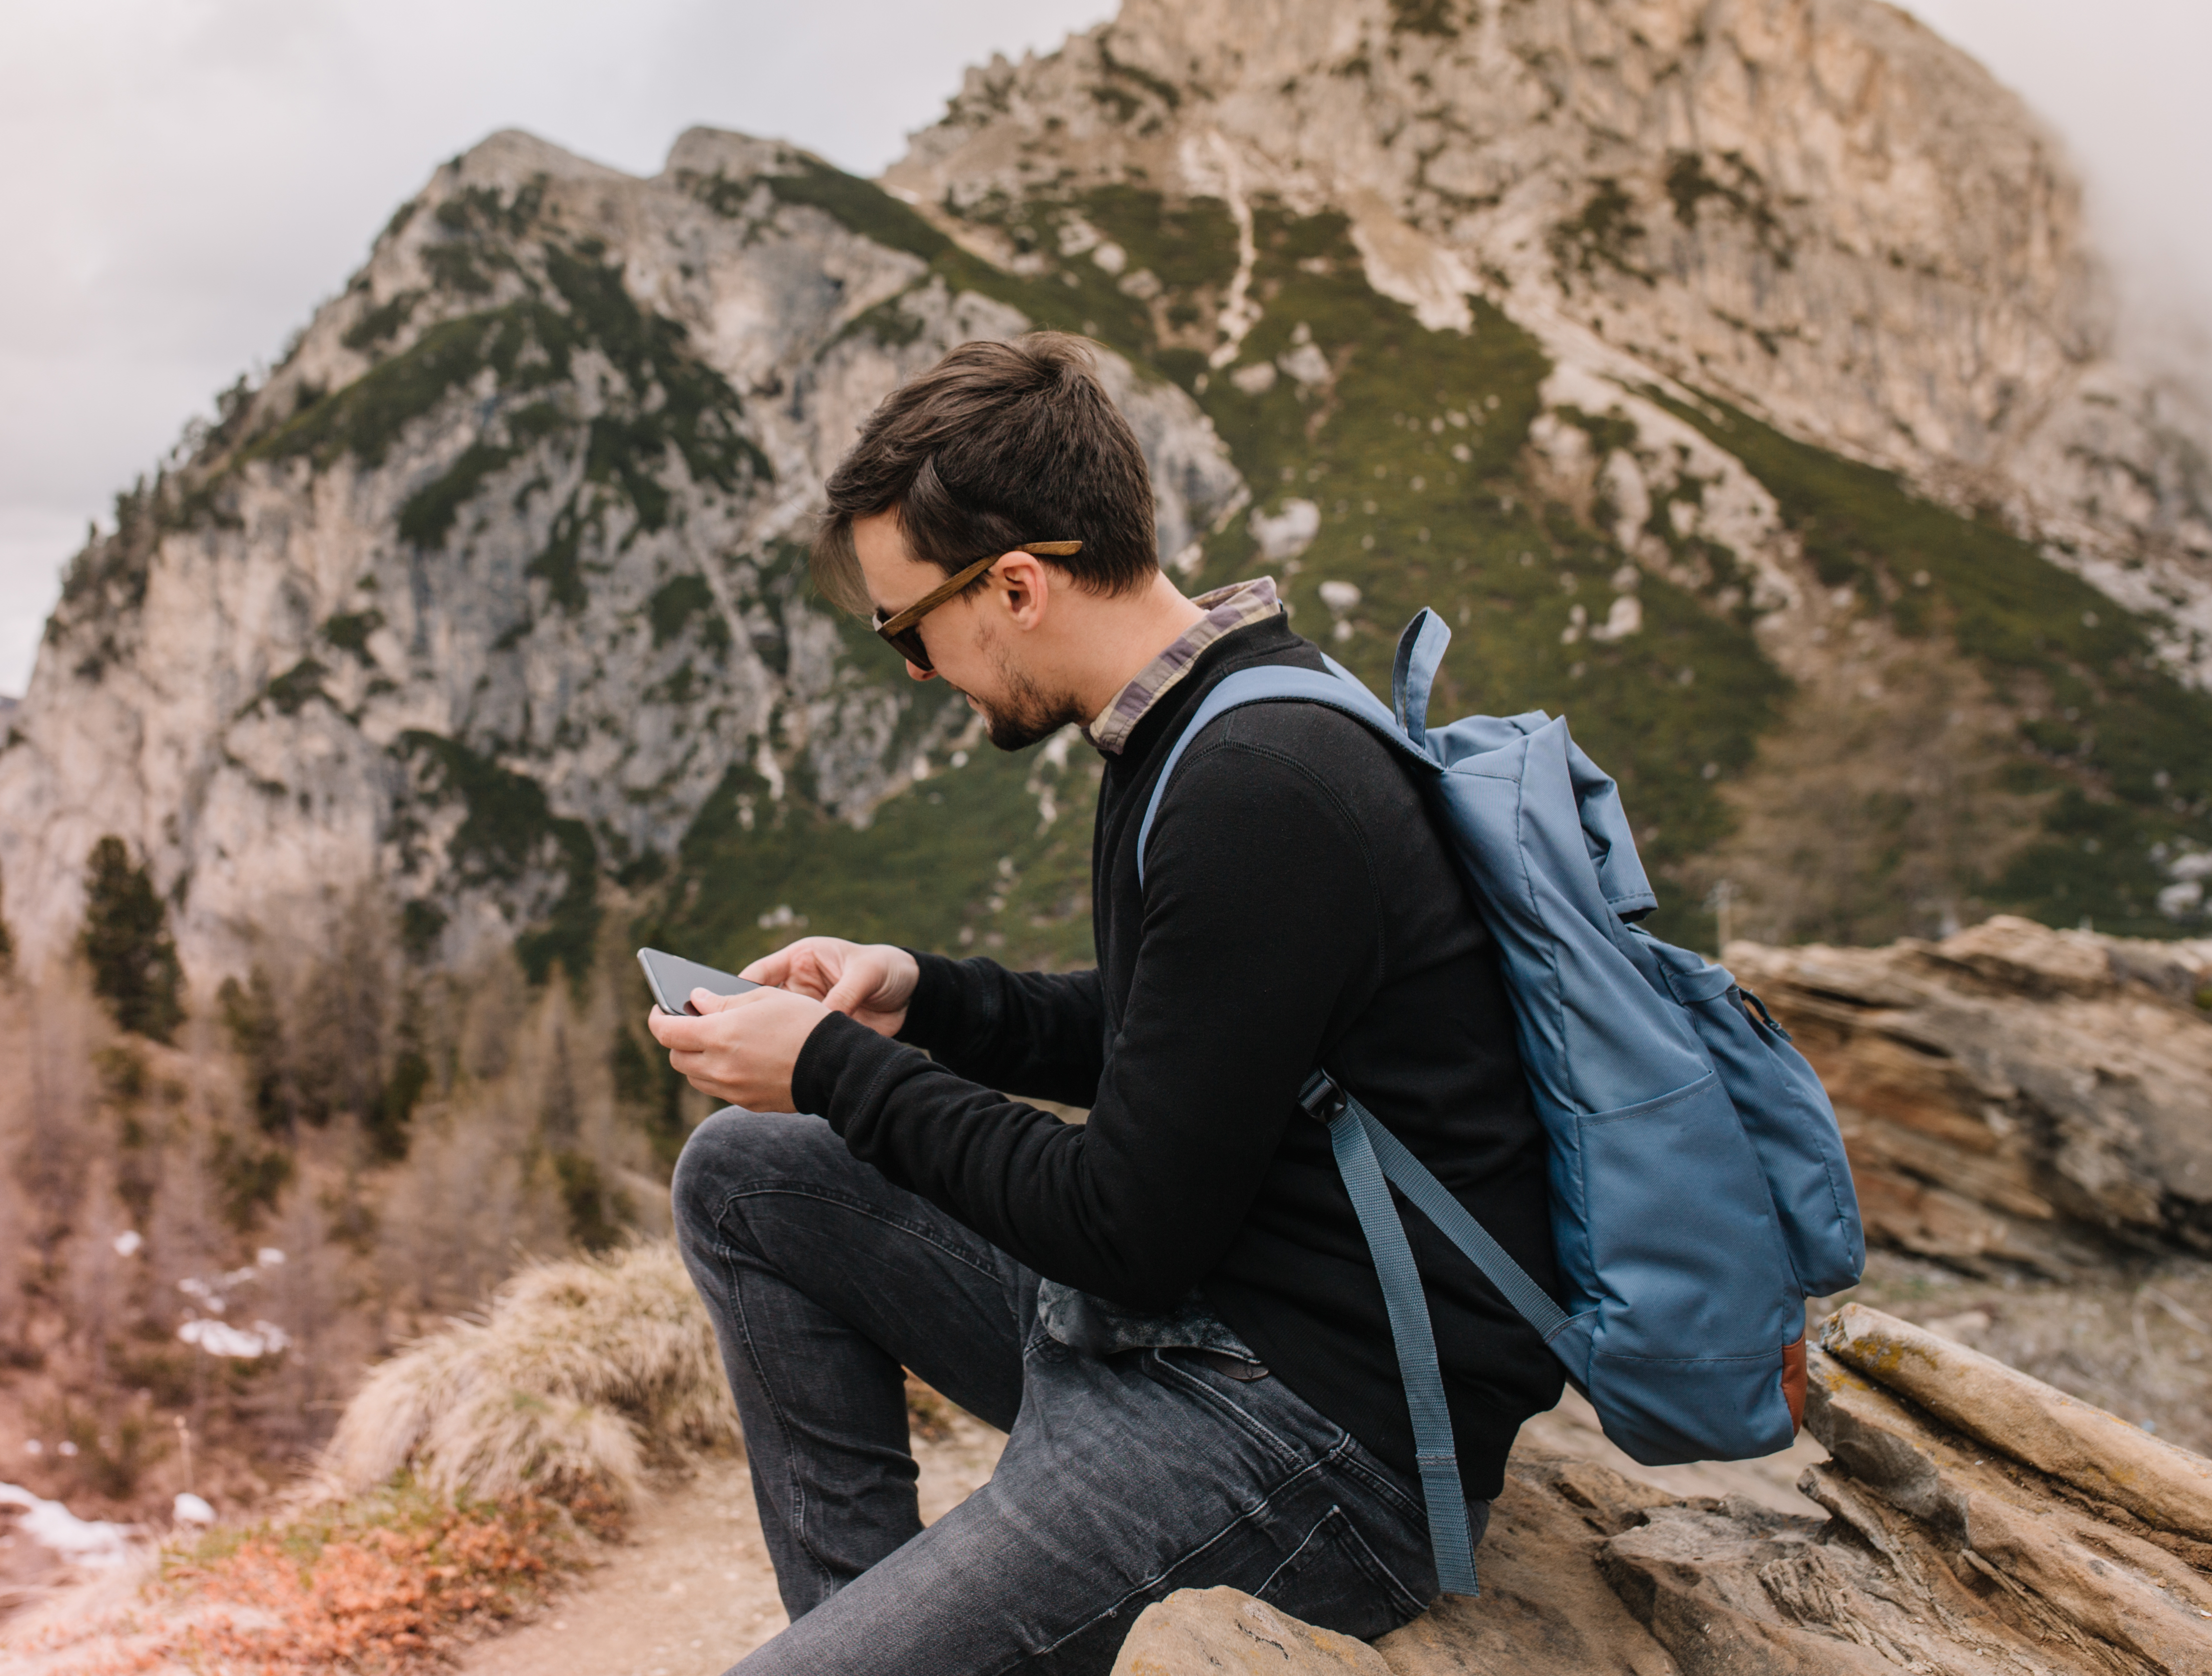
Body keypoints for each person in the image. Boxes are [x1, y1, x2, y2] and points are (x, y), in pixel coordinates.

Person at [648, 333, 1564, 1674]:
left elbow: (1123, 1225)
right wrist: (925, 1000)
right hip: (1207, 1320)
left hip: (1316, 1436)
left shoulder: (1258, 784)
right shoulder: (1216, 709)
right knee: (744, 1175)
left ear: (1014, 586)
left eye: (912, 628)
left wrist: (838, 1069)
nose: (916, 669)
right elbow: (1186, 1031)